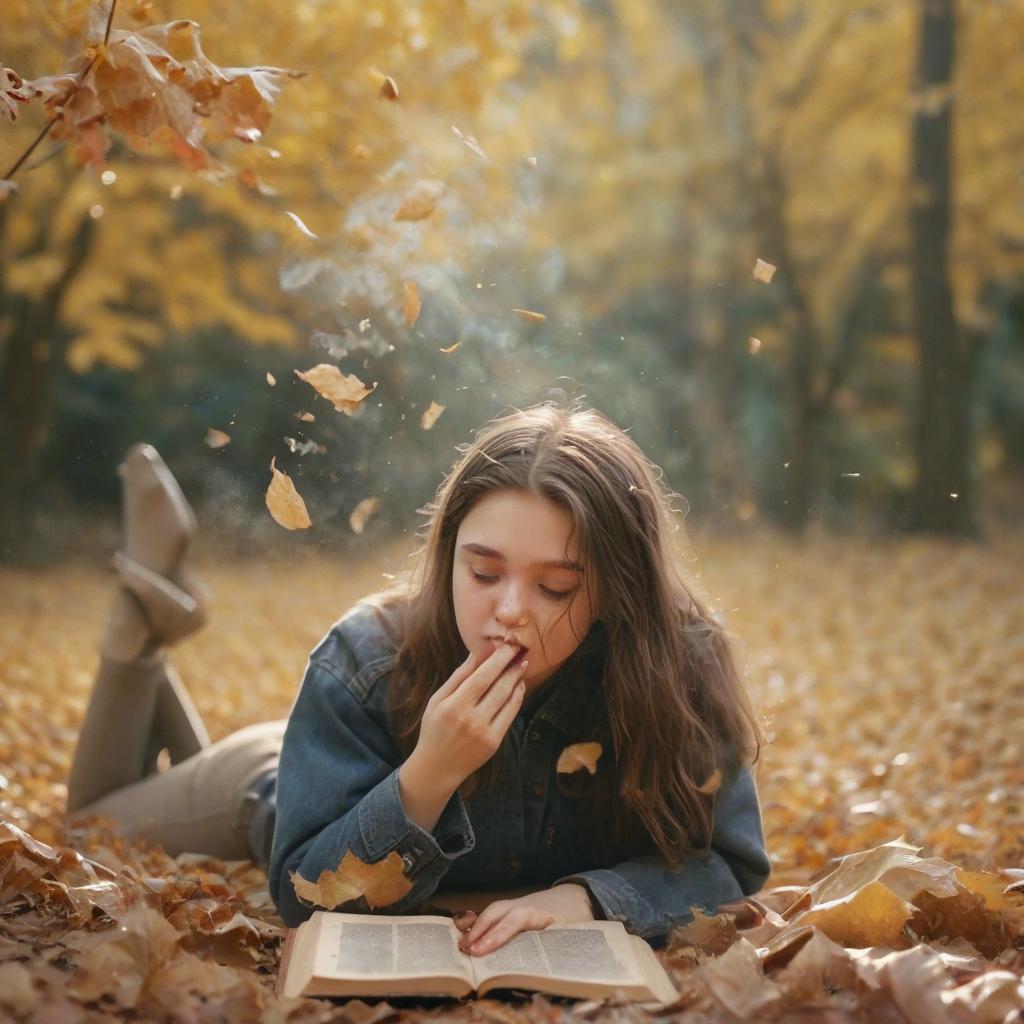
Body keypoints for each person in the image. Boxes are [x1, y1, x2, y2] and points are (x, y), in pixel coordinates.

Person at [67, 401, 770, 957]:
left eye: (556, 587)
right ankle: (137, 633)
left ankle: (154, 621)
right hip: (268, 786)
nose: (510, 612)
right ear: (449, 556)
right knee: (89, 818)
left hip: (322, 758)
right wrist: (431, 772)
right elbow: (302, 889)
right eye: (484, 572)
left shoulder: (678, 667)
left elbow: (733, 867)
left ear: (618, 590)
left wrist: (588, 899)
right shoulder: (364, 659)